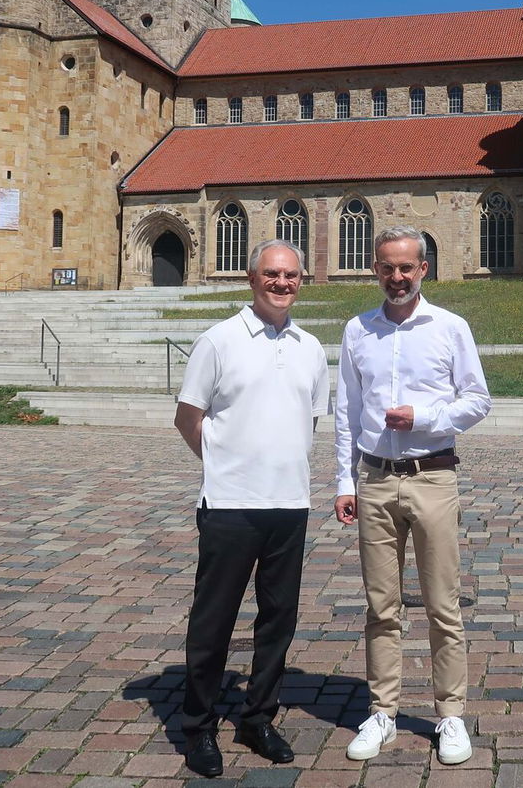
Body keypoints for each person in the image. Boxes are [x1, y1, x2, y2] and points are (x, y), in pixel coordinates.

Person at [333, 225, 490, 766]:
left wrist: (424, 417)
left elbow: (477, 401)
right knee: (381, 605)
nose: (396, 277)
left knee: (443, 606)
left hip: (432, 478)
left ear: (424, 268)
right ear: (374, 269)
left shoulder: (450, 327)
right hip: (374, 479)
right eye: (386, 267)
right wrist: (343, 480)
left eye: (406, 267)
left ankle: (450, 716)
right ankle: (383, 712)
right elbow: (346, 413)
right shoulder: (357, 330)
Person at [173, 238, 330, 778]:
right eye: (271, 274)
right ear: (251, 278)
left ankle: (258, 717)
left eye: (290, 276)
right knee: (213, 619)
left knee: (277, 620)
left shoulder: (310, 347)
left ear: (302, 280)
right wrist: (223, 463)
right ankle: (197, 726)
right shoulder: (218, 341)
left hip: (289, 503)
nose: (281, 283)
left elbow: (309, 421)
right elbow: (187, 417)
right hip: (231, 504)